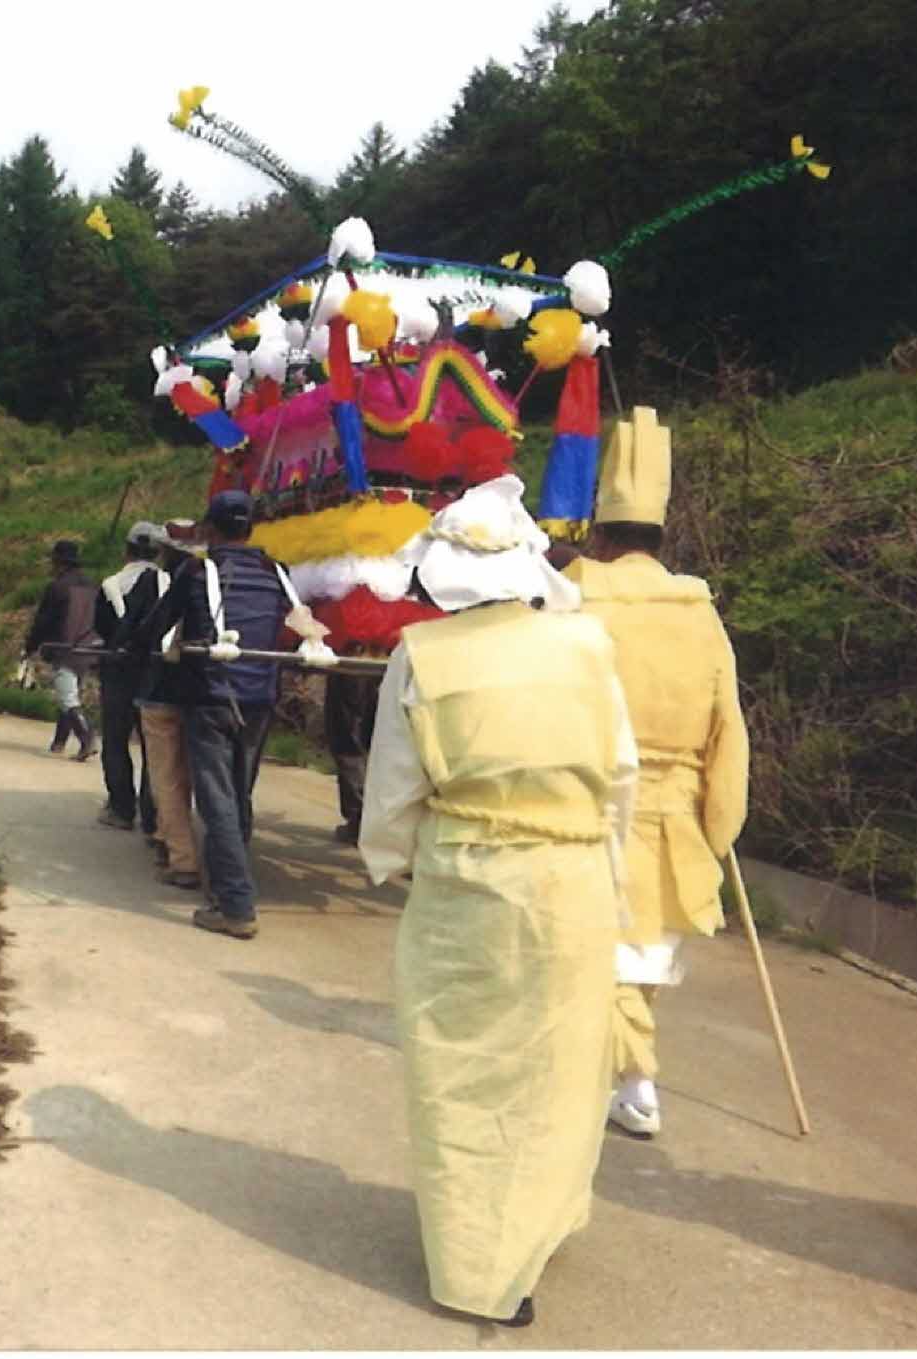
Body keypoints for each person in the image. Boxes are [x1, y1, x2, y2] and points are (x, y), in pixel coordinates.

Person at [359, 473, 639, 1328]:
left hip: (469, 883)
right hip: (574, 880)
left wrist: (395, 860)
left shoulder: (420, 655)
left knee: (464, 1071)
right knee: (558, 1067)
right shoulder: (587, 643)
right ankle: (537, 1226)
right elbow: (620, 774)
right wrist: (611, 875)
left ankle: (481, 1264)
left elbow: (393, 796)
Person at [562, 407, 749, 1140]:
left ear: (601, 536)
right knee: (640, 962)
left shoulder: (575, 595)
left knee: (597, 958)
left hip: (590, 804)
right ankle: (631, 1080)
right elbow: (728, 729)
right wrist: (721, 824)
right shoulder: (701, 613)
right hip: (674, 816)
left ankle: (630, 1085)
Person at [140, 490, 295, 939]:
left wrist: (141, 650)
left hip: (210, 696)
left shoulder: (196, 570)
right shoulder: (276, 572)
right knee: (239, 794)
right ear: (250, 529)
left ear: (209, 528)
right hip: (261, 698)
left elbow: (157, 624)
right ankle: (228, 886)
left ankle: (235, 904)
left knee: (217, 799)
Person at [133, 521, 204, 888]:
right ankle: (173, 840)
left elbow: (147, 631)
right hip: (205, 690)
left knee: (166, 776)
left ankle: (181, 858)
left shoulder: (180, 581)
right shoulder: (217, 579)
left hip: (163, 689)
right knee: (193, 773)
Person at [93, 521, 167, 831]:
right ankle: (153, 815)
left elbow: (101, 626)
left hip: (119, 671)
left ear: (127, 550)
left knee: (115, 738)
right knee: (155, 744)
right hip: (156, 672)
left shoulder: (111, 585)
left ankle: (122, 809)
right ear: (159, 552)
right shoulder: (168, 581)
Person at [24, 539, 101, 759]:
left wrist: (31, 646)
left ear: (59, 563)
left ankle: (86, 738)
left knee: (67, 698)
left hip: (64, 647)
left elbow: (43, 622)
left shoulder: (57, 587)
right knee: (68, 694)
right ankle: (59, 741)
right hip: (89, 648)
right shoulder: (92, 586)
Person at [324, 670, 380, 846]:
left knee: (348, 741)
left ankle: (360, 819)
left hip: (353, 658)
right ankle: (367, 819)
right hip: (393, 659)